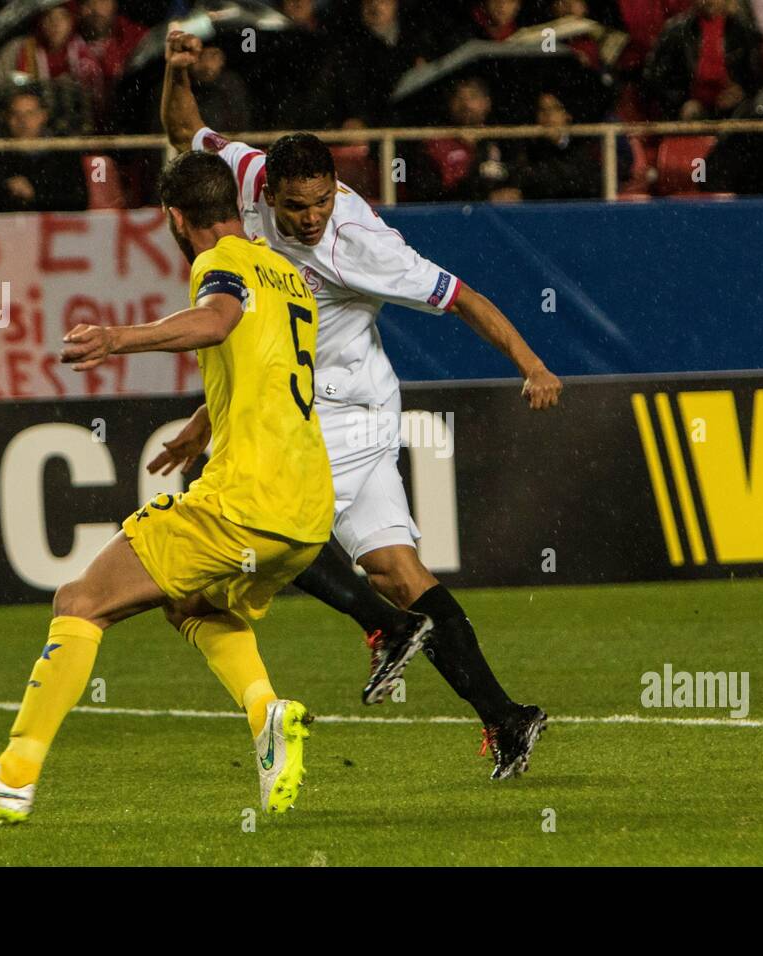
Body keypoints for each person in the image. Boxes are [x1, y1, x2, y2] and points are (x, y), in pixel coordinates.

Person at [161, 30, 563, 780]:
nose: (309, 220)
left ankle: (385, 631)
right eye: (296, 208)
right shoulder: (245, 171)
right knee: (400, 572)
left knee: (260, 533)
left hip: (334, 414)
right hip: (335, 402)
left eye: (320, 205)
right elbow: (184, 130)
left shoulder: (361, 245)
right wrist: (175, 68)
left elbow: (464, 299)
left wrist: (531, 363)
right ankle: (507, 718)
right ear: (267, 191)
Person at [0, 151, 336, 822]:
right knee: (190, 601)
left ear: (174, 217)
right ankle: (267, 714)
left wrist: (115, 338)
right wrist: (204, 422)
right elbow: (274, 363)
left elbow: (218, 320)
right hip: (309, 511)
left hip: (245, 500)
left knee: (80, 600)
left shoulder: (218, 262)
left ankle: (14, 773)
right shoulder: (286, 272)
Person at [0, 89, 88, 214]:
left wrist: (36, 194)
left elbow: (78, 200)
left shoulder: (64, 152)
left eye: (29, 113)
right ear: (7, 118)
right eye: (16, 114)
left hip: (53, 228)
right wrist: (6, 189)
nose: (22, 121)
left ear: (43, 116)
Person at [643, 0, 763, 119]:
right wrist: (682, 103)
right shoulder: (676, 32)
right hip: (687, 118)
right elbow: (657, 78)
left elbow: (758, 76)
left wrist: (741, 94)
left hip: (735, 115)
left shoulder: (743, 32)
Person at [409, 76, 521, 202]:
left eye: (473, 96)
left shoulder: (505, 140)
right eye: (459, 97)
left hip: (502, 219)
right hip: (454, 217)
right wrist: (484, 199)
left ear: (487, 103)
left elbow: (520, 182)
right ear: (450, 104)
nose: (466, 104)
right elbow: (426, 194)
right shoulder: (435, 143)